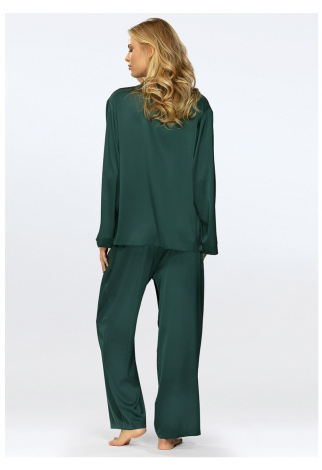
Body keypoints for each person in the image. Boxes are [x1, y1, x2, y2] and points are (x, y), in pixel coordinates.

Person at [95, 18, 218, 451]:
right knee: (171, 334)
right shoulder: (190, 105)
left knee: (126, 327)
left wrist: (106, 233)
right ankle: (165, 427)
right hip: (176, 238)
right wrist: (205, 238)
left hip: (137, 235)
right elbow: (205, 179)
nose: (127, 56)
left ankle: (145, 423)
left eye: (132, 47)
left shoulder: (183, 106)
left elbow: (112, 173)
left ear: (153, 49)